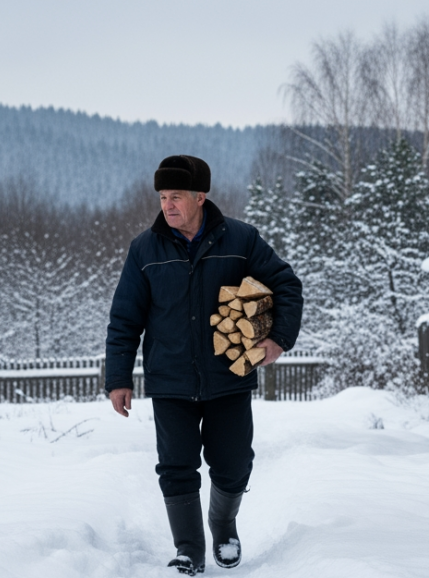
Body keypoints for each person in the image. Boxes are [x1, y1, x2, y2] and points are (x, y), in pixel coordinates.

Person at [104, 155, 303, 575]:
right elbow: (125, 318)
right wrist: (118, 378)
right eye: (162, 197)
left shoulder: (241, 240)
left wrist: (277, 339)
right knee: (176, 467)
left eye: (176, 196)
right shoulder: (144, 249)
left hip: (228, 376)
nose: (168, 205)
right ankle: (189, 550)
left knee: (233, 465)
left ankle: (223, 524)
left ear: (200, 196)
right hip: (170, 380)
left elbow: (286, 284)